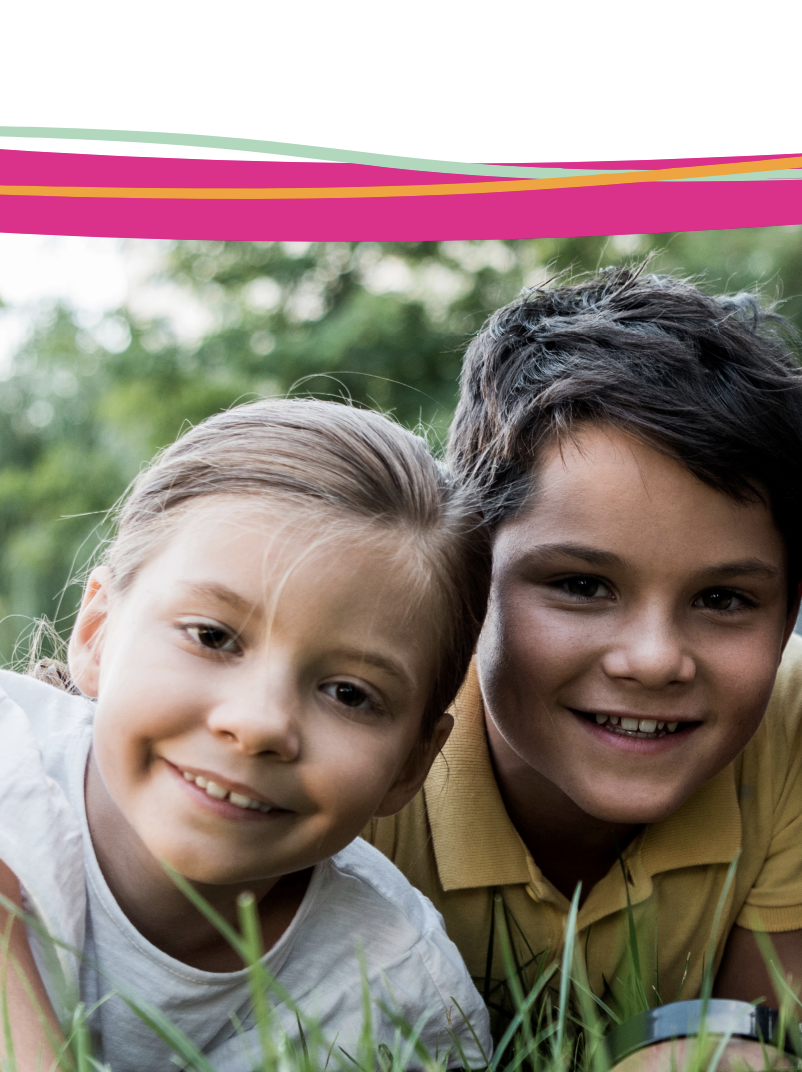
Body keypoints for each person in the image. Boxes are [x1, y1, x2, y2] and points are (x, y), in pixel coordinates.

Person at [365, 269, 802, 1035]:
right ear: (467, 574)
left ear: (790, 609)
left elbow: (775, 1044)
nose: (654, 660)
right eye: (581, 585)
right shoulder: (362, 720)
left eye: (722, 599)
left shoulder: (794, 710)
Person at [0, 400, 493, 1071]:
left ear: (411, 765)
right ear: (96, 633)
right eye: (212, 637)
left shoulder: (401, 999)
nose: (260, 723)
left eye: (349, 694)